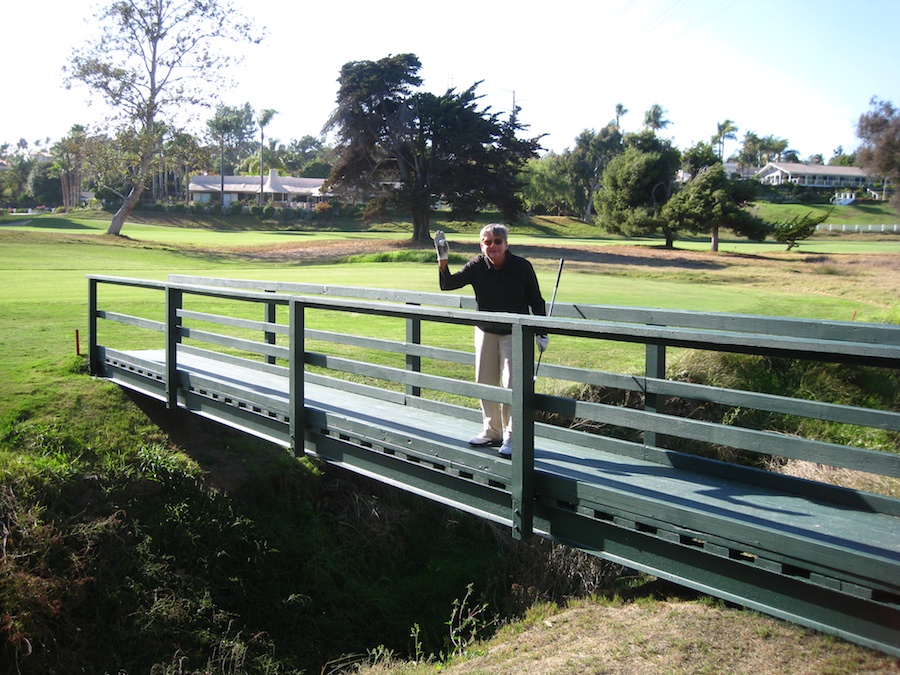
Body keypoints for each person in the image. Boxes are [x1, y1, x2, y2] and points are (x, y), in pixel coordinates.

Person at [435, 224, 548, 458]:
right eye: (487, 242)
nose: (492, 246)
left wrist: (541, 332)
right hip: (485, 331)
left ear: (506, 244)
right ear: (481, 245)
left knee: (512, 385)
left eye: (497, 241)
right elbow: (448, 284)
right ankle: (492, 431)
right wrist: (443, 260)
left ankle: (512, 435)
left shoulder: (521, 267)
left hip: (514, 333)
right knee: (485, 382)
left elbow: (536, 300)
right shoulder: (477, 265)